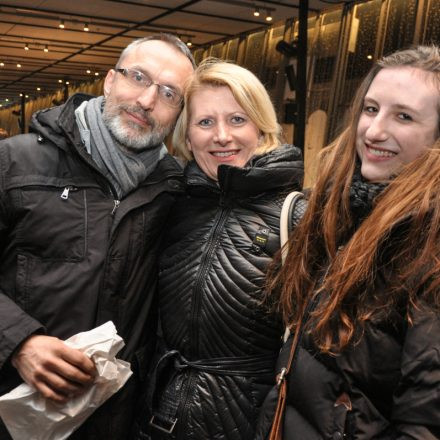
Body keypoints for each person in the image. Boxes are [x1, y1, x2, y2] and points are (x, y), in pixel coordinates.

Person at [0, 33, 195, 439]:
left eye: (169, 93)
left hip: (114, 419)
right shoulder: (15, 161)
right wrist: (18, 343)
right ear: (109, 81)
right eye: (138, 77)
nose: (146, 101)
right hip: (14, 412)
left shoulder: (174, 190)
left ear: (179, 114)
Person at [257, 45, 440, 439]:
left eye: (404, 116)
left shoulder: (428, 245)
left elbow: (424, 424)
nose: (374, 131)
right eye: (370, 109)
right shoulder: (342, 213)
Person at [133, 58, 303, 440]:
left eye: (237, 120)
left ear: (261, 126)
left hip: (249, 423)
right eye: (205, 122)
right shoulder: (169, 204)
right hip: (158, 418)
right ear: (187, 136)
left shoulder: (298, 215)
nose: (222, 136)